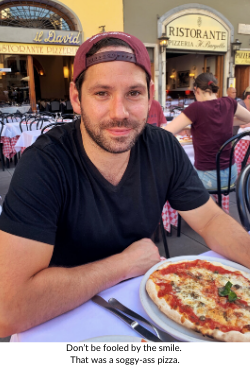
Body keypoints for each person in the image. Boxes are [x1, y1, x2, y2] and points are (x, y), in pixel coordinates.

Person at [1, 33, 250, 338]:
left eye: (133, 93)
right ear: (77, 98)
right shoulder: (44, 163)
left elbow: (210, 220)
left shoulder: (163, 147)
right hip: (58, 317)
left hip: (143, 303)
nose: (119, 112)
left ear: (150, 94)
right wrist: (123, 265)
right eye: (102, 93)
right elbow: (9, 310)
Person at [165, 73, 250, 190]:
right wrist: (223, 121)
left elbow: (166, 132)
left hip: (208, 177)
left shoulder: (196, 108)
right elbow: (248, 118)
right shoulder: (229, 102)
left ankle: (196, 206)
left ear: (196, 90)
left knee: (173, 180)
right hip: (231, 173)